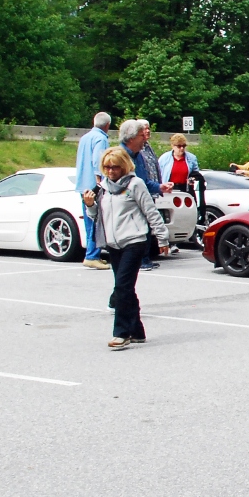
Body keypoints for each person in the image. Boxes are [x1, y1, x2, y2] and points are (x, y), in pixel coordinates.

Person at [83, 147, 169, 350]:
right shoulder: (103, 187)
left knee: (122, 287)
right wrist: (90, 205)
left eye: (115, 167)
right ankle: (137, 331)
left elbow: (150, 211)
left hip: (134, 241)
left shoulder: (135, 184)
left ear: (124, 166)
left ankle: (121, 333)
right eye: (107, 167)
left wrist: (162, 238)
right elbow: (96, 216)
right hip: (113, 243)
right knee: (126, 288)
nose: (110, 171)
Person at [119, 119, 170, 271]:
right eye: (142, 135)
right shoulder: (120, 157)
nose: (145, 138)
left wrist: (160, 187)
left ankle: (144, 259)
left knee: (145, 229)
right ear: (131, 138)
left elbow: (144, 181)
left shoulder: (139, 155)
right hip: (127, 208)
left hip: (142, 200)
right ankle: (138, 260)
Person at [74, 112, 111, 270]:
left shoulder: (85, 138)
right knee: (97, 221)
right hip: (94, 186)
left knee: (89, 222)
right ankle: (92, 256)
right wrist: (99, 180)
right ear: (107, 125)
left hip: (83, 184)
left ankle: (92, 253)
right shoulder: (101, 138)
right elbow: (98, 160)